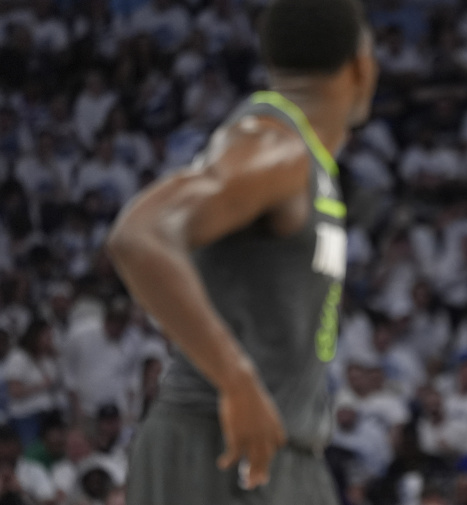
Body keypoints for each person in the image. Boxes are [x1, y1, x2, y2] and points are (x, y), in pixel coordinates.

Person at [104, 0, 378, 503]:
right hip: (218, 446)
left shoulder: (304, 159)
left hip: (287, 453)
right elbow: (140, 234)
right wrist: (236, 377)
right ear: (361, 65)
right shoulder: (274, 145)